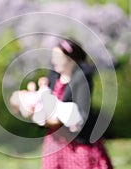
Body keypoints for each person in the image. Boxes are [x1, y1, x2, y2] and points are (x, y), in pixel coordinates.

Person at [11, 38, 113, 169]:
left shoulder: (82, 79)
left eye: (58, 57)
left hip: (79, 142)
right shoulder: (53, 76)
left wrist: (53, 120)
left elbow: (81, 113)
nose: (54, 61)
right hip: (55, 143)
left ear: (71, 59)